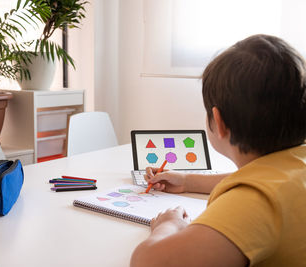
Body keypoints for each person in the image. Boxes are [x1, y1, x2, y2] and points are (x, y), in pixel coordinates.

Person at [130, 34, 306, 267]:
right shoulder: (292, 170)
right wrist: (187, 181)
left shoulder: (253, 203)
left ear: (218, 121)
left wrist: (169, 225)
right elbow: (261, 180)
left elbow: (148, 262)